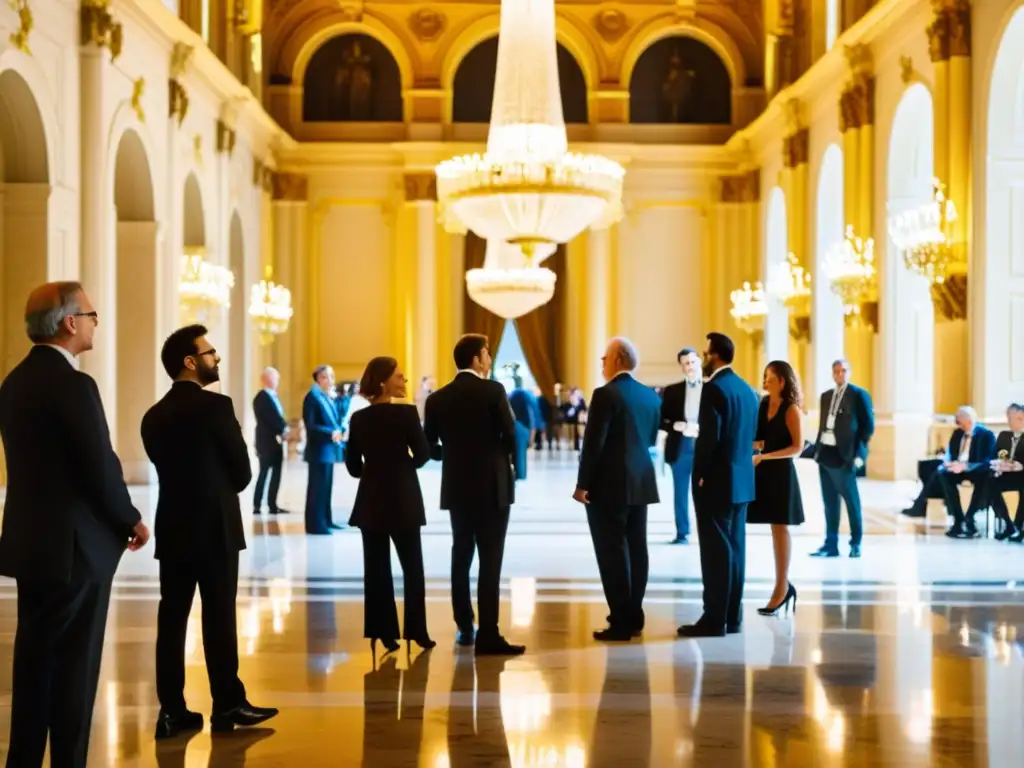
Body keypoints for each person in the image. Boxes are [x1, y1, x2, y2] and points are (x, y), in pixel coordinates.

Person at [0, 282, 150, 767]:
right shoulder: (74, 384)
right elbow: (98, 465)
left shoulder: (15, 380)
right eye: (90, 315)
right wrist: (130, 518)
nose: (93, 323)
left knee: (35, 664)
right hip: (76, 551)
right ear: (69, 322)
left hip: (32, 546)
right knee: (74, 669)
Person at [142, 325, 278, 739]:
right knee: (218, 616)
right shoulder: (217, 408)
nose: (216, 358)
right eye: (210, 352)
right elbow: (241, 473)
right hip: (215, 527)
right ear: (190, 361)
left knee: (172, 618)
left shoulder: (154, 416)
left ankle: (172, 710)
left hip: (173, 527)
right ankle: (227, 705)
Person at [423, 334, 525, 655]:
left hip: (457, 486)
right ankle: (489, 634)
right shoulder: (493, 391)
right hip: (493, 486)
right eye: (486, 353)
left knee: (461, 555)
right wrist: (500, 457)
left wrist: (452, 454)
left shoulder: (437, 399)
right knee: (490, 559)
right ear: (476, 359)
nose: (490, 358)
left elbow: (430, 447)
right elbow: (511, 435)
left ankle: (465, 627)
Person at [573, 337, 661, 641]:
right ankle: (634, 613)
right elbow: (649, 439)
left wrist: (582, 484)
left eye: (604, 358)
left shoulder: (605, 394)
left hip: (609, 485)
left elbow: (593, 445)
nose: (602, 362)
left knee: (612, 551)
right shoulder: (650, 396)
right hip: (641, 481)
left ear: (618, 360)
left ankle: (621, 620)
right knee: (637, 547)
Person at [345, 356, 434, 656]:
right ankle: (416, 631)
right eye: (399, 376)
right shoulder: (407, 415)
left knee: (376, 569)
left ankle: (383, 633)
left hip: (370, 501)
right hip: (404, 498)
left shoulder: (358, 419)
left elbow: (353, 466)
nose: (404, 381)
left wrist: (375, 469)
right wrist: (402, 467)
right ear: (384, 382)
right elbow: (422, 455)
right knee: (412, 568)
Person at [678, 332, 757, 638]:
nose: (704, 358)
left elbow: (710, 438)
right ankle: (732, 617)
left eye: (706, 353)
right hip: (741, 483)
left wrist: (698, 474)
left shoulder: (714, 389)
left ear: (716, 356)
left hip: (716, 482)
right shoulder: (747, 390)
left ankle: (713, 619)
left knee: (714, 553)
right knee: (736, 550)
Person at [749, 361, 805, 616]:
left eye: (769, 377)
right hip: (763, 472)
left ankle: (781, 587)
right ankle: (783, 585)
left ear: (782, 381)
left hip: (781, 474)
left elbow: (797, 448)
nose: (765, 381)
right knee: (773, 528)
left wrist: (765, 456)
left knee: (780, 527)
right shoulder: (762, 404)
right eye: (764, 377)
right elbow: (760, 438)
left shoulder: (791, 409)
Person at [811, 359, 874, 558]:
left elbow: (868, 426)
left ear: (849, 372)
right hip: (825, 453)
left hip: (844, 455)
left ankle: (856, 542)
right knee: (830, 503)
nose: (840, 374)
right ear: (832, 374)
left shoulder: (858, 395)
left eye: (844, 370)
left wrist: (859, 453)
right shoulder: (826, 396)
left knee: (851, 501)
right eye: (837, 371)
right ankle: (831, 544)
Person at [659, 347, 702, 544]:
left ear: (699, 362)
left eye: (692, 362)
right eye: (686, 363)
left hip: (704, 445)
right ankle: (682, 532)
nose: (690, 366)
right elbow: (661, 419)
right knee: (680, 492)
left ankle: (706, 532)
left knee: (705, 494)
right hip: (681, 446)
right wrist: (675, 425)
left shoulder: (712, 388)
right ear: (681, 367)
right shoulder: (672, 391)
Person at [303, 365, 344, 534]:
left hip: (328, 451)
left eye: (332, 377)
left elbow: (334, 420)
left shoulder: (326, 397)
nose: (331, 380)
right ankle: (315, 525)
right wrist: (330, 433)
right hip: (318, 450)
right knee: (317, 489)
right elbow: (311, 426)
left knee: (326, 488)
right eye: (328, 377)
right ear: (320, 379)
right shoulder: (312, 397)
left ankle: (326, 520)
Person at [252, 366, 290, 515]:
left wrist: (284, 429)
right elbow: (269, 419)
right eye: (276, 378)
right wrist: (283, 430)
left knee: (276, 474)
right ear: (267, 379)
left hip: (276, 442)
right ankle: (257, 504)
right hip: (266, 442)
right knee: (264, 473)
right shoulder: (261, 397)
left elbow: (279, 417)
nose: (278, 381)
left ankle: (272, 504)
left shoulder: (273, 396)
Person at [984, 403, 1024, 542]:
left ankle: (1019, 526)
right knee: (989, 484)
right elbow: (993, 456)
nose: (1009, 421)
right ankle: (1008, 524)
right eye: (1008, 417)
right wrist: (998, 464)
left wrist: (1020, 465)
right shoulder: (1003, 435)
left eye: (1012, 418)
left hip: (1021, 475)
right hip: (1006, 474)